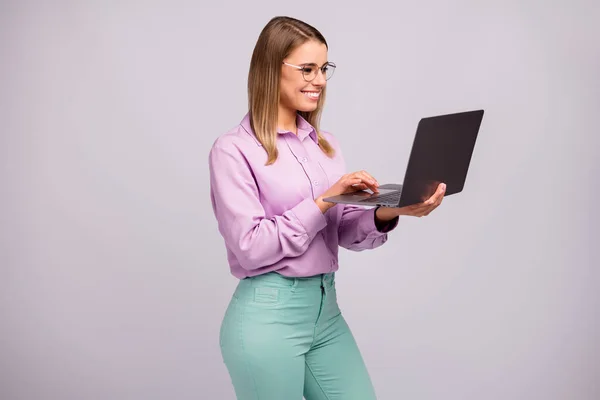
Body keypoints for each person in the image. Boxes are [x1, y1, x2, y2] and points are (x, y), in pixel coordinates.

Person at [208, 15, 446, 400]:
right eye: (307, 69)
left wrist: (391, 212)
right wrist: (321, 201)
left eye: (323, 69)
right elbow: (250, 248)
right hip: (268, 318)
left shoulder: (324, 144)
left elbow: (341, 231)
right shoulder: (233, 150)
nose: (319, 80)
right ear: (271, 70)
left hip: (325, 313)